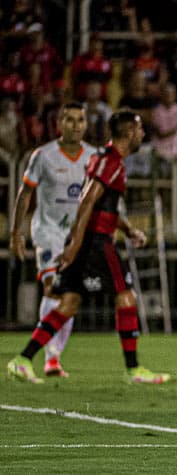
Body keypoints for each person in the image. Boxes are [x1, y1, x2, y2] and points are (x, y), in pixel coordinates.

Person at [7, 110, 171, 384]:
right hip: (96, 242)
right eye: (140, 129)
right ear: (129, 131)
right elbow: (87, 201)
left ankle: (23, 360)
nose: (143, 134)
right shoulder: (112, 162)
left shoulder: (102, 158)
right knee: (126, 297)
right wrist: (75, 243)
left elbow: (101, 207)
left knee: (69, 302)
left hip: (88, 239)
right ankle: (134, 370)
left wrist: (128, 230)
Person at [8, 102, 98, 378]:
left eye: (79, 120)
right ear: (59, 123)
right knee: (52, 287)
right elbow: (25, 194)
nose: (75, 125)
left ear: (86, 124)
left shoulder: (94, 157)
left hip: (77, 236)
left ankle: (53, 358)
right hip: (48, 231)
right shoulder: (43, 156)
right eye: (69, 120)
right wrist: (16, 233)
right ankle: (47, 355)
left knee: (71, 295)